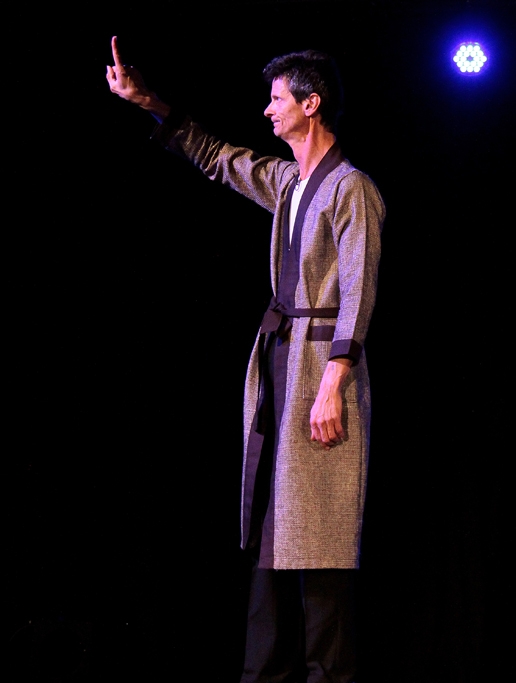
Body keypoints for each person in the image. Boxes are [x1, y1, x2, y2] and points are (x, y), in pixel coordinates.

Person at [106, 36, 384, 683]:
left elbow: (359, 283)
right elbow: (218, 158)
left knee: (321, 544)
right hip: (283, 373)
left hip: (322, 371)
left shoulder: (352, 189)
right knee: (273, 538)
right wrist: (150, 102)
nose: (266, 110)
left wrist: (334, 380)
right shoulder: (290, 183)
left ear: (311, 104)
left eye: (277, 98)